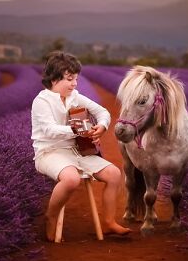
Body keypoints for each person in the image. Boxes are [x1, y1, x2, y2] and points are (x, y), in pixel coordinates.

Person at [31, 51, 131, 241]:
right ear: (54, 79)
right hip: (49, 153)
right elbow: (49, 130)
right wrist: (79, 131)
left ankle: (109, 222)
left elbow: (102, 111)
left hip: (78, 151)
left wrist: (101, 126)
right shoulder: (41, 101)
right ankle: (51, 216)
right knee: (71, 179)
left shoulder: (74, 97)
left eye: (75, 78)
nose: (74, 83)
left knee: (114, 174)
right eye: (69, 79)